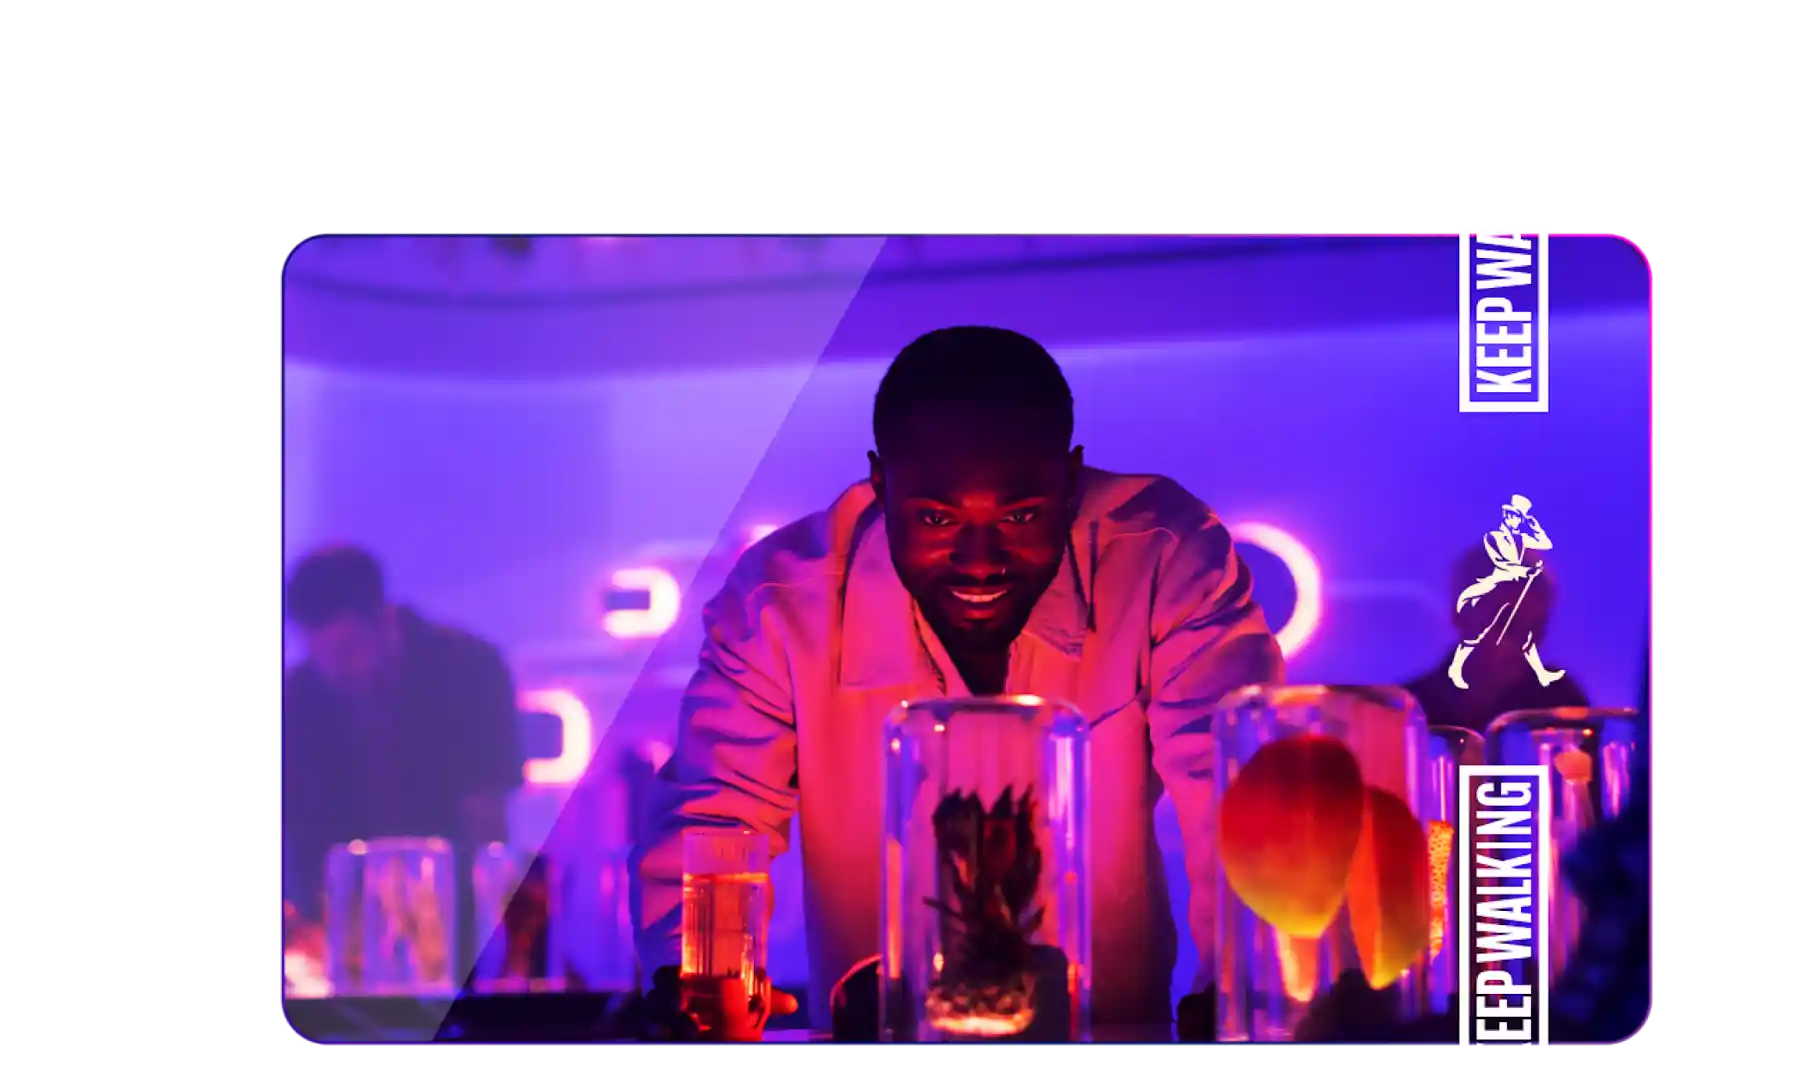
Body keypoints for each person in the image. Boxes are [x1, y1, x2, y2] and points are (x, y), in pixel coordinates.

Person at [630, 326, 1285, 1028]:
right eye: (937, 517)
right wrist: (699, 982)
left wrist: (1248, 998)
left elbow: (1246, 794)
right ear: (881, 486)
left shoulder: (1162, 556)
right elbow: (717, 816)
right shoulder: (781, 601)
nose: (979, 559)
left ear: (1070, 483)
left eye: (1021, 514)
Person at [282, 546, 525, 928]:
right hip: (342, 924)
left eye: (346, 649)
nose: (334, 669)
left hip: (456, 916)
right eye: (319, 654)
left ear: (383, 618)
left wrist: (492, 922)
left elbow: (486, 813)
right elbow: (301, 832)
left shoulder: (468, 670)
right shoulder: (299, 696)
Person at [1403, 535, 1591, 737]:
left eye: (1536, 628)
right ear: (1462, 614)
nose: (1525, 644)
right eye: (1508, 623)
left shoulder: (1562, 707)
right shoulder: (1408, 713)